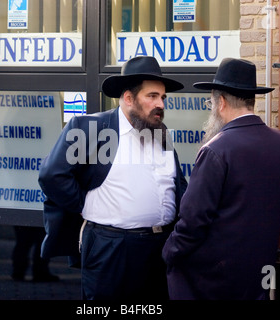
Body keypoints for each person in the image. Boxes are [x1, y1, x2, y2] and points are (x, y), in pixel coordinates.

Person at [38, 56, 187, 300]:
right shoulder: (92, 128)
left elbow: (176, 183)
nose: (160, 103)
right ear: (128, 98)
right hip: (112, 248)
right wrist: (84, 205)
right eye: (152, 96)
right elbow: (52, 175)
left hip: (160, 248)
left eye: (163, 98)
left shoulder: (160, 133)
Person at [162, 58, 280, 300]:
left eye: (210, 101)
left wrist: (169, 251)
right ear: (251, 100)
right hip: (259, 276)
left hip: (215, 281)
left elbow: (193, 220)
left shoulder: (217, 149)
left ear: (221, 102)